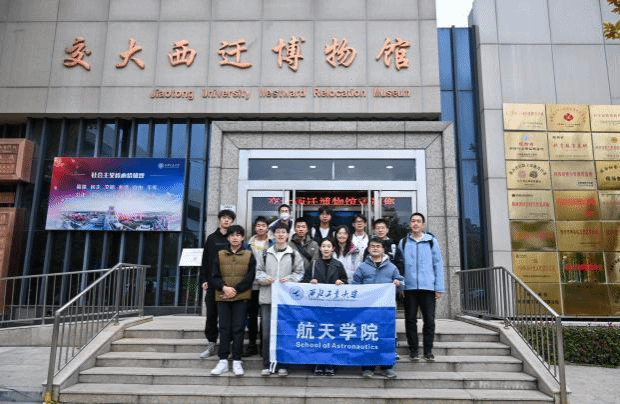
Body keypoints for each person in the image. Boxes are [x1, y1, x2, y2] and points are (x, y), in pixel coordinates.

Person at [255, 222, 304, 377]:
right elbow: (257, 272)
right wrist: (266, 279)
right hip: (268, 299)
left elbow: (300, 273)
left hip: (285, 301)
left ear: (288, 235)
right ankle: (267, 365)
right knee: (266, 334)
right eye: (278, 232)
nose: (280, 235)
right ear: (273, 235)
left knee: (284, 332)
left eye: (283, 232)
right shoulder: (265, 253)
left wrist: (289, 279)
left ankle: (283, 365)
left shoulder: (293, 254)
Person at [351, 237, 404, 379]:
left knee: (385, 338)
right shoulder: (362, 267)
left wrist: (398, 283)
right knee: (367, 337)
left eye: (378, 246)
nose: (375, 248)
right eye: (372, 246)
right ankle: (368, 368)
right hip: (367, 310)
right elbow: (354, 285)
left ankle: (387, 367)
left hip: (385, 311)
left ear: (383, 249)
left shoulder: (391, 267)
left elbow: (402, 283)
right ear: (368, 249)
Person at [209, 225, 256, 376]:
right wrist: (224, 288)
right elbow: (213, 276)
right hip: (223, 296)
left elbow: (250, 277)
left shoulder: (249, 255)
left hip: (241, 297)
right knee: (224, 328)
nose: (235, 238)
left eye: (238, 235)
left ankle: (237, 360)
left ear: (243, 238)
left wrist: (235, 290)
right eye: (232, 235)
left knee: (238, 328)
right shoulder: (220, 254)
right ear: (228, 238)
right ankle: (223, 360)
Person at [397, 212, 444, 362]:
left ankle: (428, 351)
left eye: (418, 221)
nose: (415, 223)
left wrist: (439, 287)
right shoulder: (403, 242)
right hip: (409, 288)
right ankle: (413, 351)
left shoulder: (431, 241)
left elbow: (438, 265)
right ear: (410, 224)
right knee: (410, 320)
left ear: (423, 225)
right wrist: (401, 287)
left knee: (429, 320)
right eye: (413, 221)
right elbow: (399, 267)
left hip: (428, 288)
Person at [302, 237, 347, 376]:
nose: (326, 248)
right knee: (317, 334)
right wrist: (310, 282)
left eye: (329, 246)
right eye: (323, 246)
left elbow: (346, 281)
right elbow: (304, 280)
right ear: (320, 248)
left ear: (333, 249)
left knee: (332, 334)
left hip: (334, 306)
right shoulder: (313, 264)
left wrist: (341, 282)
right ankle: (318, 362)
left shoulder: (338, 264)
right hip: (317, 306)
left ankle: (330, 363)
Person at [199, 209, 235, 358]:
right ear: (219, 220)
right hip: (212, 283)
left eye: (229, 218)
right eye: (224, 218)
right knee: (211, 315)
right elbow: (205, 260)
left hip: (229, 284)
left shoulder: (233, 237)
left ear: (232, 221)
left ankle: (228, 345)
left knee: (228, 317)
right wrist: (203, 279)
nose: (226, 220)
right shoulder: (212, 238)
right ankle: (211, 344)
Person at [245, 216, 273, 357]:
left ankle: (263, 345)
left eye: (263, 225)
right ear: (255, 227)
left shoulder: (273, 243)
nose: (261, 228)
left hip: (267, 284)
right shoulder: (247, 244)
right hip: (252, 285)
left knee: (265, 316)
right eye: (258, 225)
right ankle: (251, 345)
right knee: (252, 315)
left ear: (267, 228)